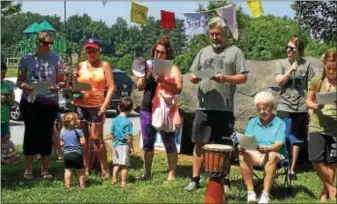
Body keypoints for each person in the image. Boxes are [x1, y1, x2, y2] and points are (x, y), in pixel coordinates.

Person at [184, 17, 248, 191]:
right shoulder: (203, 52)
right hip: (203, 106)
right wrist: (194, 77)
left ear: (225, 33)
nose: (214, 37)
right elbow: (191, 74)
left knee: (225, 146)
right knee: (199, 142)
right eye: (211, 34)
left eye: (217, 34)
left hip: (224, 108)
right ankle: (195, 179)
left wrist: (225, 78)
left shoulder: (235, 52)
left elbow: (243, 77)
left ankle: (224, 181)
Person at [16, 32, 65, 180]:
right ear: (38, 43)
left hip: (49, 102)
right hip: (31, 101)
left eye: (51, 43)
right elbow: (19, 81)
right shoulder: (26, 59)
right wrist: (26, 86)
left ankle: (45, 170)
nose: (49, 46)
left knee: (46, 135)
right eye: (46, 43)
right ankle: (28, 170)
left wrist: (58, 87)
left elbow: (62, 81)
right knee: (30, 134)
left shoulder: (56, 58)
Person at [136, 36, 183, 183]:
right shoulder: (147, 66)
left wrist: (163, 81)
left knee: (169, 141)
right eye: (156, 51)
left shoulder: (173, 68)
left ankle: (172, 174)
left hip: (164, 110)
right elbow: (139, 87)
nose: (158, 55)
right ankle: (147, 173)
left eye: (162, 52)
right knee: (147, 143)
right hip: (147, 109)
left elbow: (178, 89)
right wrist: (146, 75)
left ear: (167, 53)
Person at [72, 37, 115, 179]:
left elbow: (111, 87)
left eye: (93, 50)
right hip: (80, 105)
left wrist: (104, 106)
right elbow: (74, 86)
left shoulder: (105, 66)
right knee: (83, 139)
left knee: (96, 138)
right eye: (88, 50)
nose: (91, 53)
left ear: (99, 50)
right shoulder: (80, 65)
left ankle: (104, 168)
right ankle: (86, 167)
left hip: (97, 106)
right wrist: (74, 81)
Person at [275, 36, 315, 180]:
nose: (288, 50)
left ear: (299, 50)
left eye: (292, 48)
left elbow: (312, 86)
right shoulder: (281, 63)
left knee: (296, 138)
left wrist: (310, 105)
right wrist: (290, 70)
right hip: (284, 104)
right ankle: (280, 163)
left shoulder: (307, 65)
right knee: (282, 135)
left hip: (301, 106)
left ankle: (292, 168)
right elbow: (279, 82)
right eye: (287, 47)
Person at [238, 91, 288, 204]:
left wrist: (268, 148)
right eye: (259, 109)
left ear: (272, 107)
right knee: (242, 156)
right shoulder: (252, 122)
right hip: (255, 153)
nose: (262, 112)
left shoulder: (279, 123)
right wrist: (242, 146)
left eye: (265, 109)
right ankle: (251, 193)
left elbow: (279, 144)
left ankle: (265, 195)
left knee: (271, 154)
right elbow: (247, 139)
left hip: (275, 153)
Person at [306, 50, 336, 202]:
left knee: (332, 162)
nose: (331, 71)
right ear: (324, 65)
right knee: (315, 158)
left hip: (335, 127)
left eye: (335, 69)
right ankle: (332, 188)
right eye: (328, 68)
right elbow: (308, 101)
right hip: (317, 124)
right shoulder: (317, 80)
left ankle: (326, 192)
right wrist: (315, 105)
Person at [111, 97, 134, 186]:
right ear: (131, 109)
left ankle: (114, 180)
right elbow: (129, 136)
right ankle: (123, 182)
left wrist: (114, 142)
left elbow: (112, 133)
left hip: (116, 145)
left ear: (119, 107)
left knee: (116, 164)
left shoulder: (115, 119)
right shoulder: (128, 122)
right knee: (124, 165)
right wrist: (131, 147)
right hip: (124, 145)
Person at [60, 112, 86, 188]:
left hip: (67, 154)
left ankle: (68, 186)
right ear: (75, 122)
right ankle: (82, 185)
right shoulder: (79, 131)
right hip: (77, 153)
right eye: (77, 118)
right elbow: (83, 142)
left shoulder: (63, 132)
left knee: (68, 170)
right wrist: (83, 147)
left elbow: (61, 144)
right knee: (80, 171)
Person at [1, 60, 14, 142]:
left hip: (4, 118)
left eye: (4, 73)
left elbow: (12, 102)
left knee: (5, 137)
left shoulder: (7, 86)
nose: (3, 76)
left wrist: (6, 99)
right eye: (1, 73)